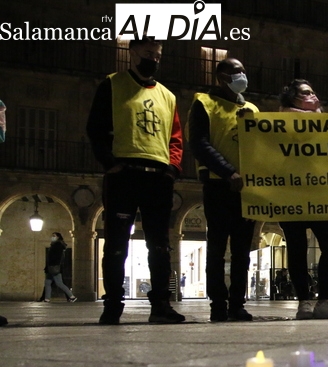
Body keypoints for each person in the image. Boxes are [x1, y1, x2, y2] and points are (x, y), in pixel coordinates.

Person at [87, 37, 185, 325]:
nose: (153, 59)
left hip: (158, 177)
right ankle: (112, 305)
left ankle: (161, 305)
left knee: (160, 246)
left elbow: (176, 138)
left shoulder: (168, 96)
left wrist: (173, 168)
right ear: (132, 53)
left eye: (157, 55)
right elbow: (96, 127)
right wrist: (110, 163)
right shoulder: (112, 84)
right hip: (124, 174)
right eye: (147, 53)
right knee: (116, 244)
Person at [188, 58, 258, 322]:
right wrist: (229, 172)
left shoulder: (252, 108)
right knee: (216, 249)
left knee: (242, 251)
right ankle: (218, 304)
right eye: (235, 72)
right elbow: (199, 144)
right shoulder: (204, 104)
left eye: (243, 71)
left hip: (247, 189)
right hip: (219, 185)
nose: (241, 75)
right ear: (221, 78)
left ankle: (237, 304)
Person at [278, 79, 328, 319]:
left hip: (322, 190)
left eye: (313, 92)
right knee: (296, 247)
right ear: (293, 98)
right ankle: (304, 302)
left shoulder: (327, 121)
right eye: (306, 93)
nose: (313, 96)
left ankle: (325, 300)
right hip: (291, 190)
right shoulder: (281, 120)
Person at [40, 232, 78, 303]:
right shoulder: (56, 245)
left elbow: (55, 257)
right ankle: (47, 298)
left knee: (59, 283)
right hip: (51, 267)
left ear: (58, 237)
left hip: (54, 267)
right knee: (47, 283)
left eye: (54, 236)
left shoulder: (57, 246)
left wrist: (52, 265)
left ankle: (72, 296)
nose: (52, 237)